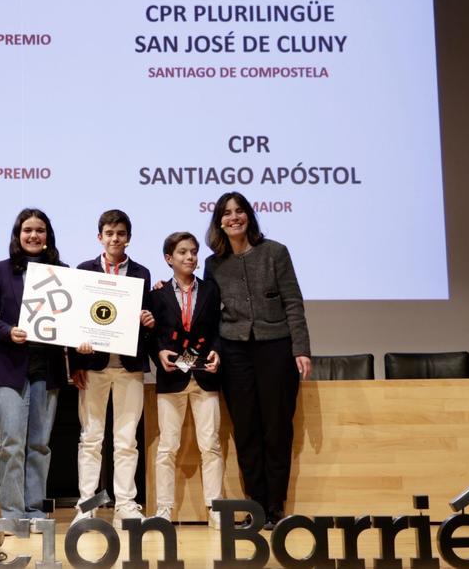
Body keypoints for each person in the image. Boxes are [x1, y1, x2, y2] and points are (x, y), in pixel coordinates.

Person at [203, 191, 312, 528]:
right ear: (219, 221)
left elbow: (293, 301)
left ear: (249, 216)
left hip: (275, 346)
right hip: (235, 350)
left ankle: (276, 506)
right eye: (227, 212)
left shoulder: (275, 252)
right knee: (247, 430)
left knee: (276, 427)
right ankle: (257, 507)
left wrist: (301, 348)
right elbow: (207, 307)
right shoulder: (213, 263)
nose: (234, 217)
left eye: (239, 211)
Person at [0, 209, 67, 521]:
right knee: (11, 443)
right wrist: (7, 330)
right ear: (17, 235)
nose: (33, 235)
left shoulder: (63, 272)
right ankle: (13, 511)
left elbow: (73, 319)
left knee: (40, 445)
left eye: (40, 230)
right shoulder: (1, 270)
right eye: (27, 230)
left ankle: (34, 507)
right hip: (9, 368)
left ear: (48, 235)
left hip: (48, 368)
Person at [69, 209, 155, 527]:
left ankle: (125, 505)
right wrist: (76, 360)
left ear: (128, 238)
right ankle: (88, 506)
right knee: (90, 438)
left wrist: (148, 322)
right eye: (109, 233)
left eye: (120, 233)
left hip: (129, 366)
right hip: (94, 366)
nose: (115, 238)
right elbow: (76, 320)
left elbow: (148, 323)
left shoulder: (142, 273)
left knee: (126, 440)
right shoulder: (85, 270)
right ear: (100, 237)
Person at [149, 231, 223, 527]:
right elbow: (151, 335)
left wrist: (218, 351)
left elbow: (219, 329)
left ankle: (215, 509)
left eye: (193, 251)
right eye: (182, 252)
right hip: (172, 379)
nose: (190, 257)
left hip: (205, 375)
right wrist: (159, 354)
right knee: (167, 447)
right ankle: (164, 509)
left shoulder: (211, 290)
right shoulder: (157, 294)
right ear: (169, 259)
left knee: (211, 446)